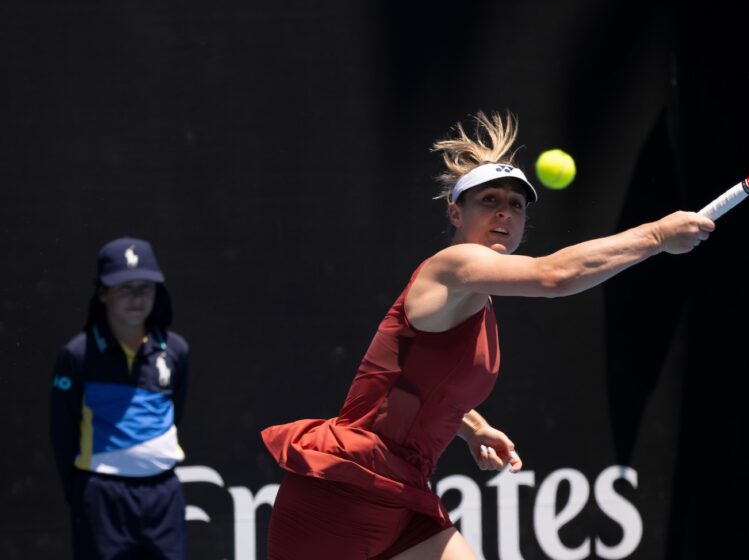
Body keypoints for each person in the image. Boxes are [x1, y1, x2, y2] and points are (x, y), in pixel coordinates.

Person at [261, 111, 714, 559]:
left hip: (402, 494)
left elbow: (415, 385)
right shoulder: (452, 266)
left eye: (516, 205)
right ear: (455, 213)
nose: (505, 212)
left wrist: (473, 428)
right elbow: (555, 275)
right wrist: (655, 235)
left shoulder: (475, 298)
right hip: (345, 486)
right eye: (490, 200)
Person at [50, 237, 190, 560]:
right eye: (124, 288)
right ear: (102, 293)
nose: (137, 298)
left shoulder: (177, 351)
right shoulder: (77, 355)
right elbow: (63, 431)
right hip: (101, 498)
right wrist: (84, 492)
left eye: (145, 287)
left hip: (163, 497)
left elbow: (176, 411)